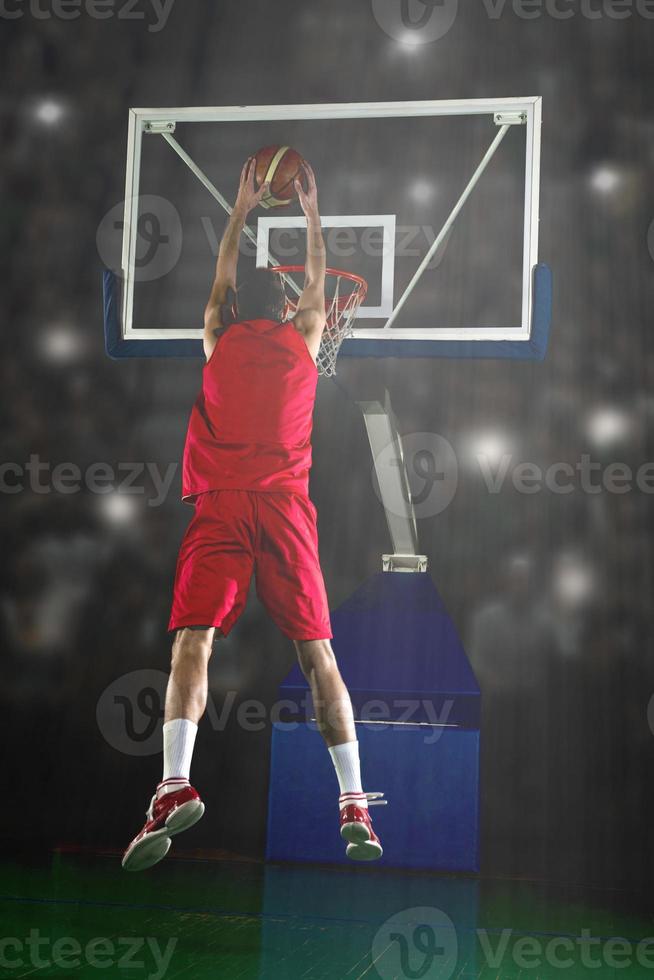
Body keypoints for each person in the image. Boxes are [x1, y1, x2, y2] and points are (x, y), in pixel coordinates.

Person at [122, 157, 385, 871]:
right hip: (286, 510)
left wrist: (241, 210)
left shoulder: (218, 336)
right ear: (306, 308)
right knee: (318, 657)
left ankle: (173, 784)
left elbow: (222, 276)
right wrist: (311, 211)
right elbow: (316, 277)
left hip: (222, 507)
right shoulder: (307, 339)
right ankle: (354, 800)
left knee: (191, 644)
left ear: (240, 310)